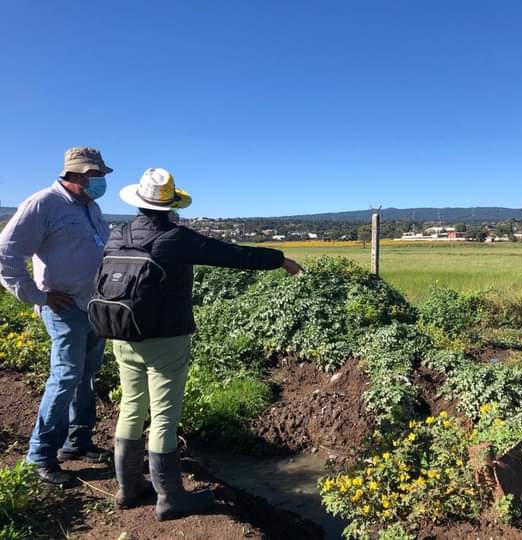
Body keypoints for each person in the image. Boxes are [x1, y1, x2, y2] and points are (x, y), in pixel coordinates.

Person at [107, 168, 302, 521]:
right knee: (164, 416)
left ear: (138, 202)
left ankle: (128, 487)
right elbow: (232, 254)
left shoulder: (118, 234)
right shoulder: (175, 237)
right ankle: (170, 498)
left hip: (121, 333)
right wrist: (279, 259)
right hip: (165, 338)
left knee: (132, 406)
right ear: (169, 206)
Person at [0, 147, 113, 484]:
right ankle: (41, 456)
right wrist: (39, 296)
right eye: (97, 176)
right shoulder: (43, 203)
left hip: (93, 307)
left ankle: (77, 442)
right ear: (79, 174)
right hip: (64, 309)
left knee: (86, 376)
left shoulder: (90, 207)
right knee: (65, 377)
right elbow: (6, 253)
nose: (101, 182)